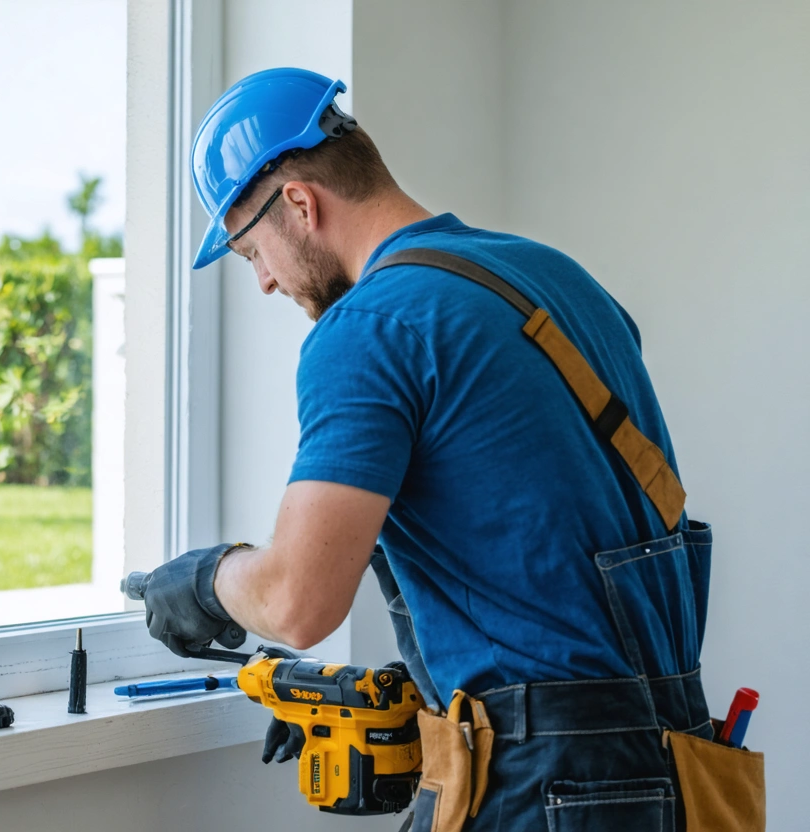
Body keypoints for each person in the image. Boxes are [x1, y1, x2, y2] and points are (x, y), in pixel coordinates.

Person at [137, 67, 713, 831]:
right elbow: (543, 539)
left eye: (251, 254)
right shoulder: (553, 277)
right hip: (680, 772)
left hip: (546, 795)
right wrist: (445, 698)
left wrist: (207, 583)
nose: (266, 284)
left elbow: (296, 602)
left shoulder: (370, 329)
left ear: (300, 205)